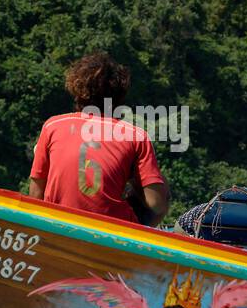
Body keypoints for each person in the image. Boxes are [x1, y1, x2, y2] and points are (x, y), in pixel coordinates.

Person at [29, 52, 170, 225]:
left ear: (76, 89)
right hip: (112, 231)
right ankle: (136, 241)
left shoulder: (53, 126)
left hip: (56, 226)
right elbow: (157, 203)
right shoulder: (136, 136)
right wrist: (133, 180)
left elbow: (35, 196)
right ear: (120, 94)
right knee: (159, 183)